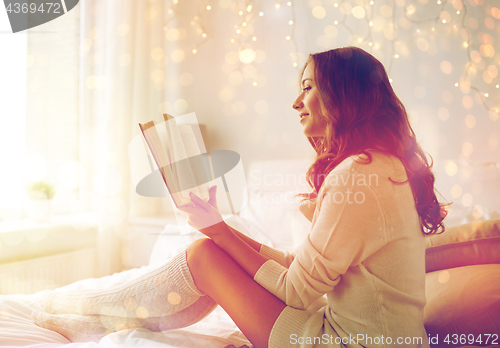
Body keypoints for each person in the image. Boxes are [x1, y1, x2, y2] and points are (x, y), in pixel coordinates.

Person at [32, 46, 445, 348]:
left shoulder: (357, 175)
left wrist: (219, 235)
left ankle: (85, 313)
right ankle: (94, 317)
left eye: (308, 87)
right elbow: (301, 272)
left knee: (203, 256)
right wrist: (221, 228)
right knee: (208, 250)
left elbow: (296, 291)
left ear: (343, 95)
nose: (297, 102)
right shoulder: (383, 168)